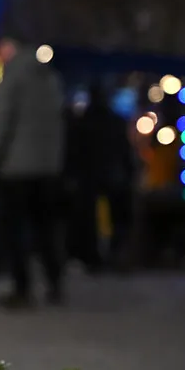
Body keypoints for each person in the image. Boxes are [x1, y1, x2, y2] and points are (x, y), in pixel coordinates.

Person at [0, 37, 66, 308]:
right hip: (47, 168)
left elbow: (1, 124)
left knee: (15, 229)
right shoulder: (50, 79)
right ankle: (54, 283)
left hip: (15, 169)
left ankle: (22, 288)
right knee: (46, 228)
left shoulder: (13, 78)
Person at [64, 83, 136, 273]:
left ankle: (93, 257)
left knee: (90, 219)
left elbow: (74, 152)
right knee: (116, 219)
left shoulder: (82, 122)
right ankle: (113, 255)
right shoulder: (115, 122)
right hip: (111, 175)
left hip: (90, 177)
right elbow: (124, 151)